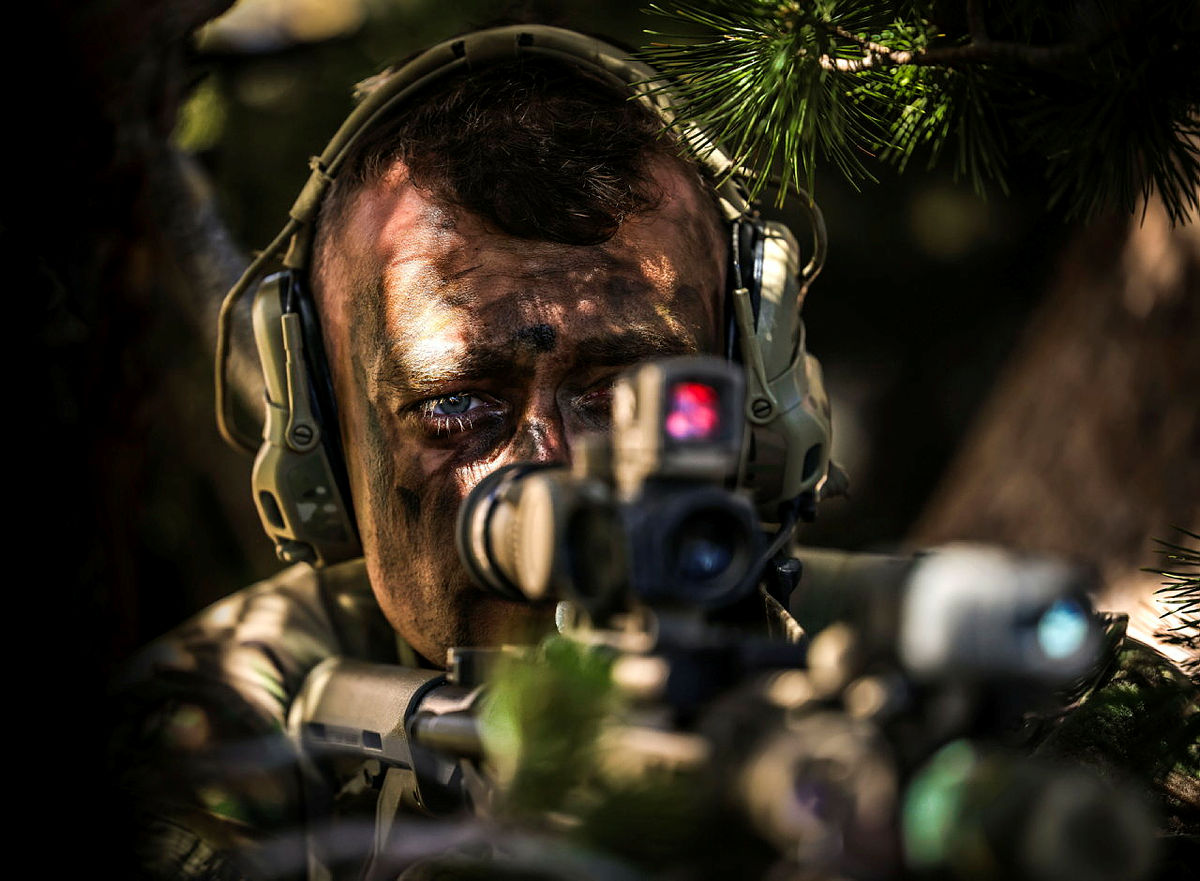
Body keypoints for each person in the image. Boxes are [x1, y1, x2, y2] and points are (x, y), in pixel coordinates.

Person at [112, 22, 1196, 881]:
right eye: (457, 406)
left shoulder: (967, 679)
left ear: (760, 398)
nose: (550, 471)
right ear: (320, 444)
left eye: (627, 393)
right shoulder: (233, 705)